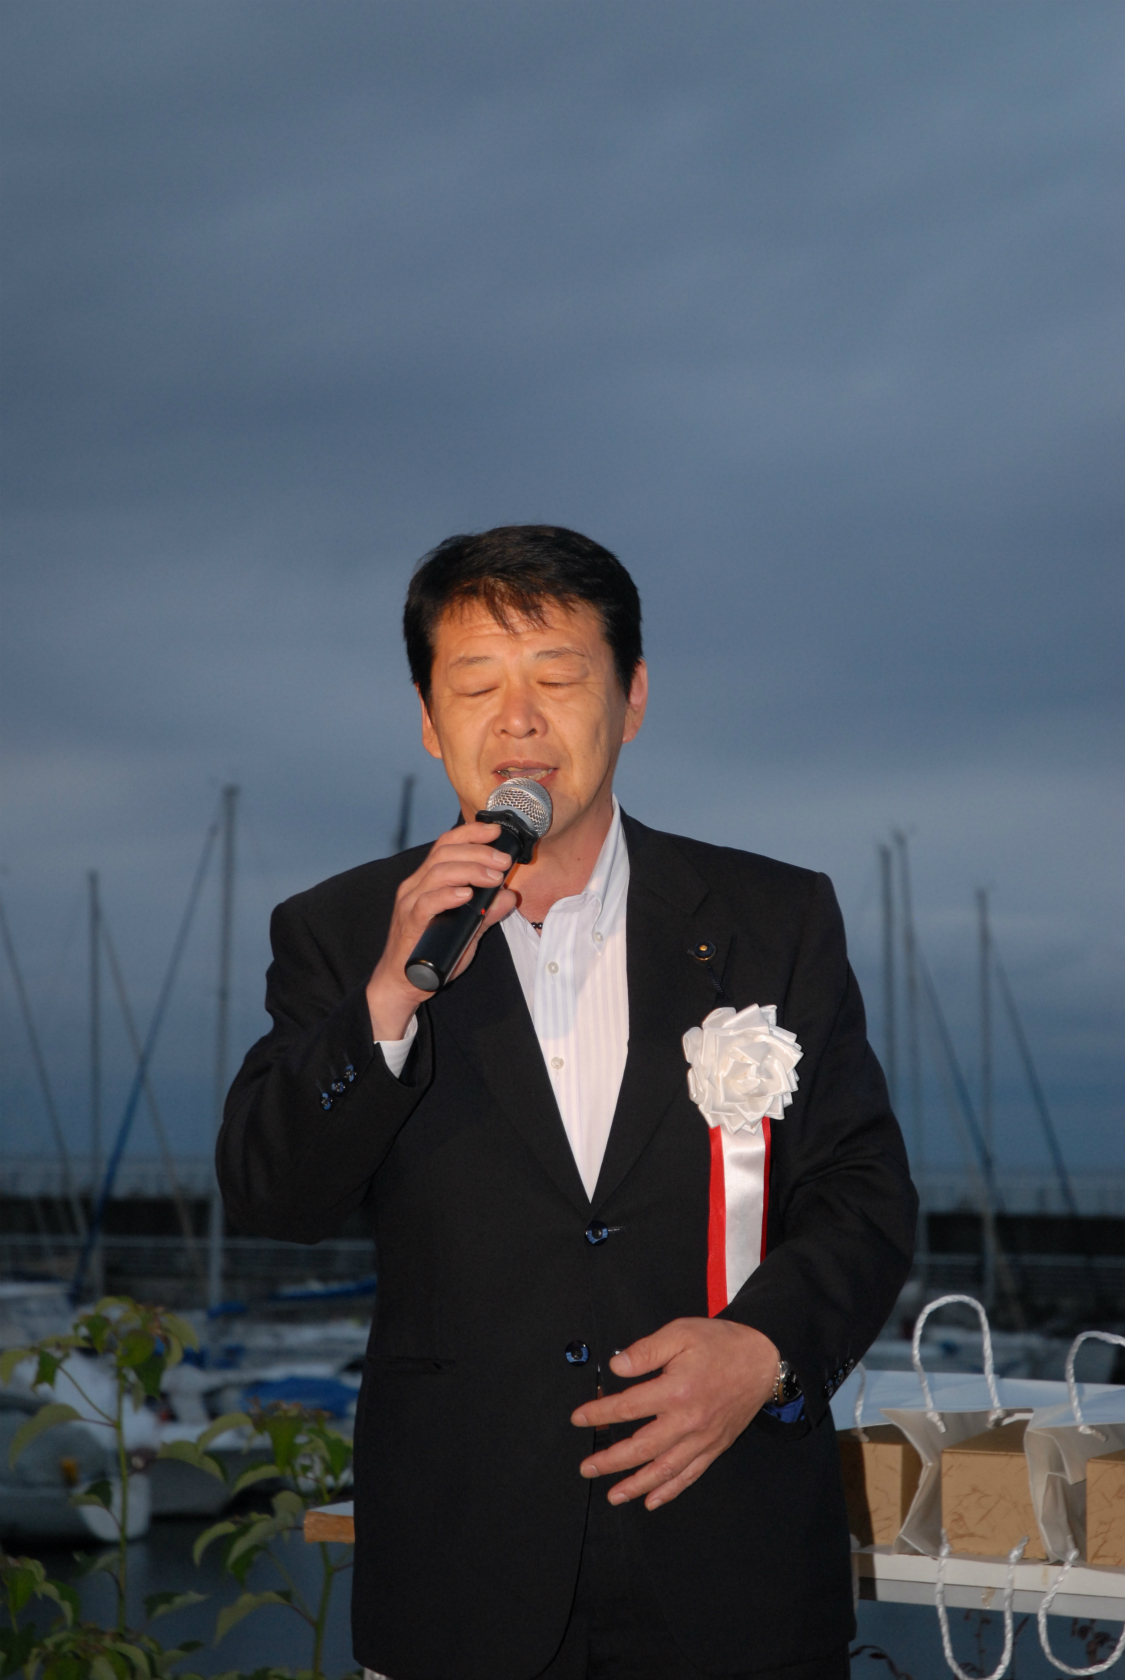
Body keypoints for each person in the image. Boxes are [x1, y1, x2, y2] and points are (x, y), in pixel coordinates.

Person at [218, 525, 917, 1680]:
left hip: (731, 1553)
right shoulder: (343, 932)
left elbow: (863, 1193)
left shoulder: (773, 916)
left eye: (558, 678)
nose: (519, 720)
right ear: (428, 719)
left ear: (632, 698)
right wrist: (388, 995)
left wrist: (764, 1349)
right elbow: (272, 1196)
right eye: (476, 686)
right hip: (460, 1573)